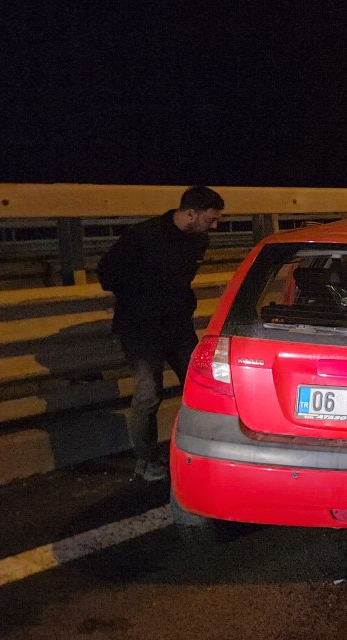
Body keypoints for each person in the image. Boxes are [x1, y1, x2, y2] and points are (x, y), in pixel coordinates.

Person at [98, 186, 224, 481]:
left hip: (177, 325)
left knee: (202, 388)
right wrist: (135, 297)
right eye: (211, 218)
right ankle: (146, 461)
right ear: (191, 213)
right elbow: (107, 272)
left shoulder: (198, 240)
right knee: (147, 395)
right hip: (141, 328)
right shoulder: (143, 236)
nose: (215, 226)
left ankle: (205, 453)